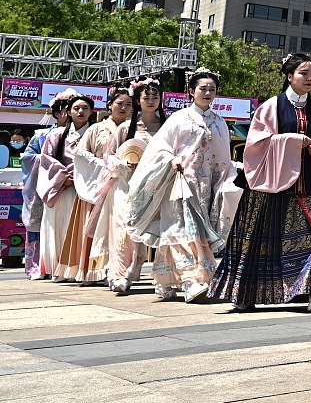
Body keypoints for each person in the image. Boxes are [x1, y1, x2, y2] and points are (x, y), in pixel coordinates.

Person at [213, 54, 311, 311]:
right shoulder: (271, 106)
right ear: (289, 76)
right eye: (304, 73)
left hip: (305, 186)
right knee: (260, 238)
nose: (310, 79)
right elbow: (256, 143)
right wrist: (291, 140)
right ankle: (246, 293)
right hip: (269, 187)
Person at [128, 69, 242, 302]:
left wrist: (227, 180)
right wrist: (171, 159)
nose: (208, 93)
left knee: (195, 233)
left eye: (212, 89)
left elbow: (223, 157)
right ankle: (192, 280)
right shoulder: (179, 118)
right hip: (180, 184)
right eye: (203, 88)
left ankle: (166, 280)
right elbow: (159, 146)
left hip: (207, 186)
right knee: (182, 231)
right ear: (191, 91)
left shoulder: (220, 122)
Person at [105, 78, 165, 294]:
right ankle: (121, 273)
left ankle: (157, 274)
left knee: (157, 230)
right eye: (146, 97)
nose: (150, 101)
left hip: (157, 185)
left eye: (155, 97)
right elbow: (108, 156)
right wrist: (123, 163)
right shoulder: (125, 128)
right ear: (137, 100)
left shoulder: (167, 126)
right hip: (127, 184)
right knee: (125, 229)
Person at [71, 88, 133, 285]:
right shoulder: (96, 129)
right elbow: (80, 153)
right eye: (119, 103)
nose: (123, 108)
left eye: (129, 104)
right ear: (109, 105)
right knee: (96, 226)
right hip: (100, 182)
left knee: (121, 229)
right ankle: (92, 272)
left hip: (126, 183)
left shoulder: (135, 129)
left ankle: (119, 271)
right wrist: (102, 164)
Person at [39, 95, 97, 282]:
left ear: (91, 111)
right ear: (69, 111)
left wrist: (83, 177)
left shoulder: (97, 134)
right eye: (76, 108)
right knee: (59, 229)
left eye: (85, 108)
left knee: (81, 231)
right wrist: (63, 177)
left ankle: (79, 269)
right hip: (62, 188)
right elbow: (46, 159)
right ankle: (58, 269)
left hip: (86, 189)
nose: (81, 112)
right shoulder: (56, 134)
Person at [22, 93, 73, 279]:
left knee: (64, 225)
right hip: (44, 185)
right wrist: (46, 161)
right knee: (38, 226)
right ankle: (37, 266)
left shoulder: (79, 134)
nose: (68, 114)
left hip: (68, 185)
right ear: (56, 113)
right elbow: (27, 158)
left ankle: (63, 266)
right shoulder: (41, 135)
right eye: (65, 110)